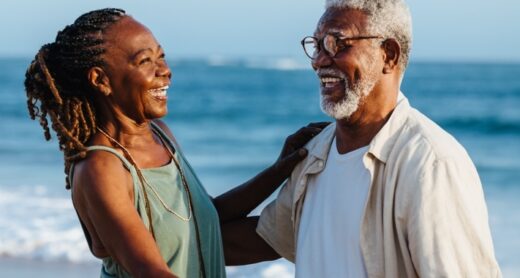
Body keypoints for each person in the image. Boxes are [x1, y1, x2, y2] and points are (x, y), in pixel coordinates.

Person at [24, 8, 328, 278]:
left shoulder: (161, 135)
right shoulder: (101, 168)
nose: (164, 70)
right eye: (144, 61)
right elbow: (149, 271)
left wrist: (280, 169)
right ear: (100, 80)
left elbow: (204, 215)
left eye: (161, 56)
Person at [224, 0, 503, 277]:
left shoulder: (430, 164)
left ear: (389, 55)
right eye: (317, 45)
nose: (319, 60)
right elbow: (258, 240)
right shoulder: (314, 155)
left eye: (337, 43)